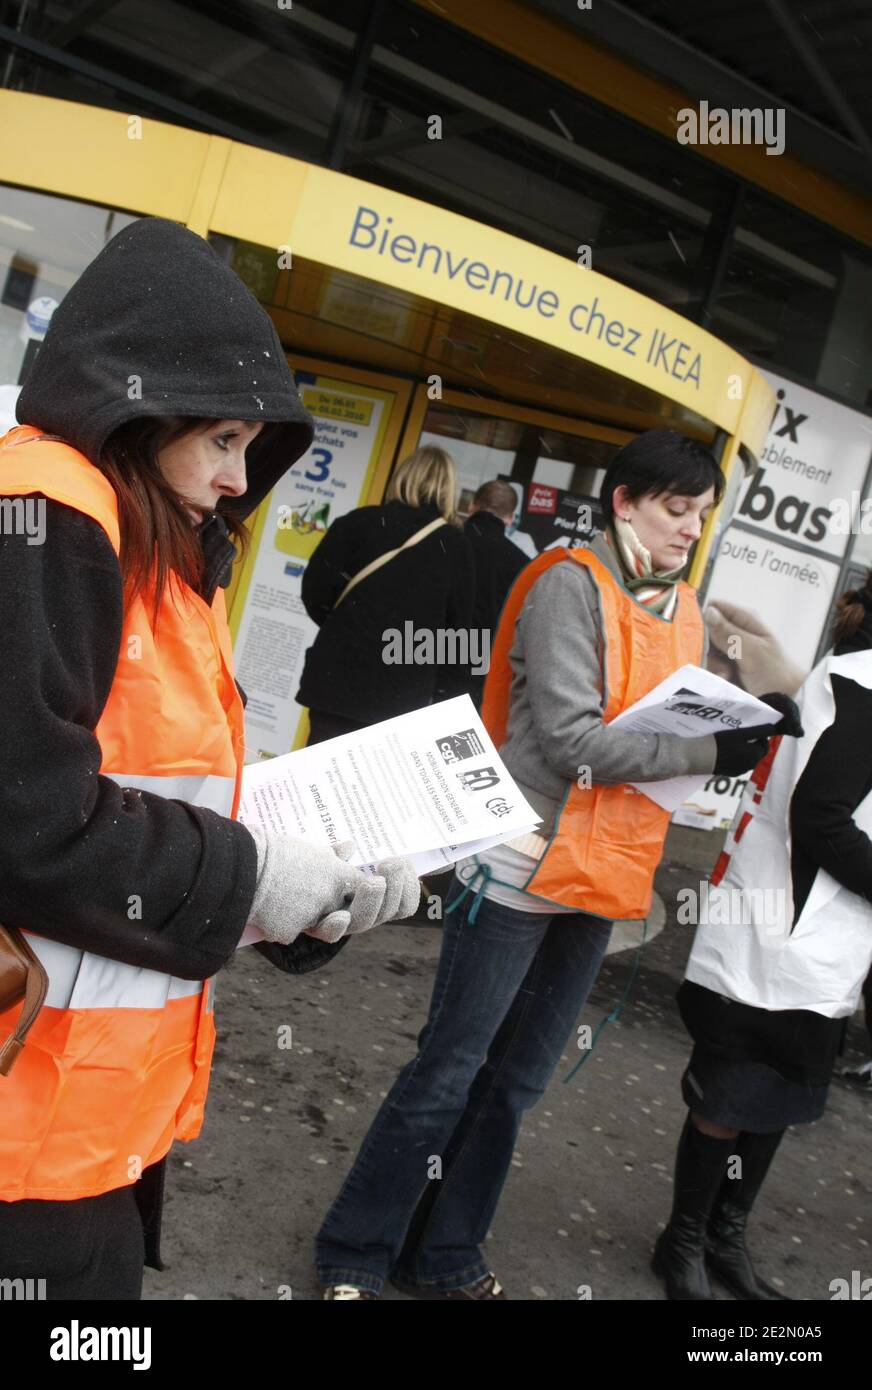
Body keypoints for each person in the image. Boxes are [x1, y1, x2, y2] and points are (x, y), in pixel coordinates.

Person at [0, 217, 419, 1301]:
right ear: (141, 412)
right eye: (224, 439)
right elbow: (26, 817)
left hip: (81, 1124)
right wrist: (251, 876)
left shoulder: (157, 560)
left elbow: (156, 802)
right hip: (23, 1139)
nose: (240, 478)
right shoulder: (48, 514)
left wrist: (306, 896)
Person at [313, 428, 796, 1301]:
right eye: (676, 510)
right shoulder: (569, 585)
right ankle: (355, 1252)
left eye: (701, 515)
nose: (692, 530)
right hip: (519, 863)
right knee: (449, 1070)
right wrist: (709, 753)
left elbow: (663, 729)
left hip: (605, 871)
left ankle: (446, 1256)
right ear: (624, 501)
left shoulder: (682, 609)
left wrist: (747, 724)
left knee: (517, 1082)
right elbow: (574, 740)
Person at [658, 574, 872, 1302]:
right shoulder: (863, 688)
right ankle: (682, 1243)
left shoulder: (848, 679)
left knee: (776, 1096)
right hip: (782, 936)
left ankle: (724, 1241)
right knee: (732, 1093)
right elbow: (823, 819)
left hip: (810, 942)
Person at [297, 445, 476, 744]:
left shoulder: (357, 523)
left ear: (402, 478)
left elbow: (314, 593)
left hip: (337, 682)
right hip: (402, 695)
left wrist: (349, 628)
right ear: (448, 490)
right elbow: (459, 635)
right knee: (374, 786)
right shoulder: (456, 547)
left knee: (316, 779)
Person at [460, 479, 527, 707]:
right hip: (483, 673)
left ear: (472, 506)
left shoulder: (447, 543)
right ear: (509, 518)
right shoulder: (521, 564)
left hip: (424, 657)